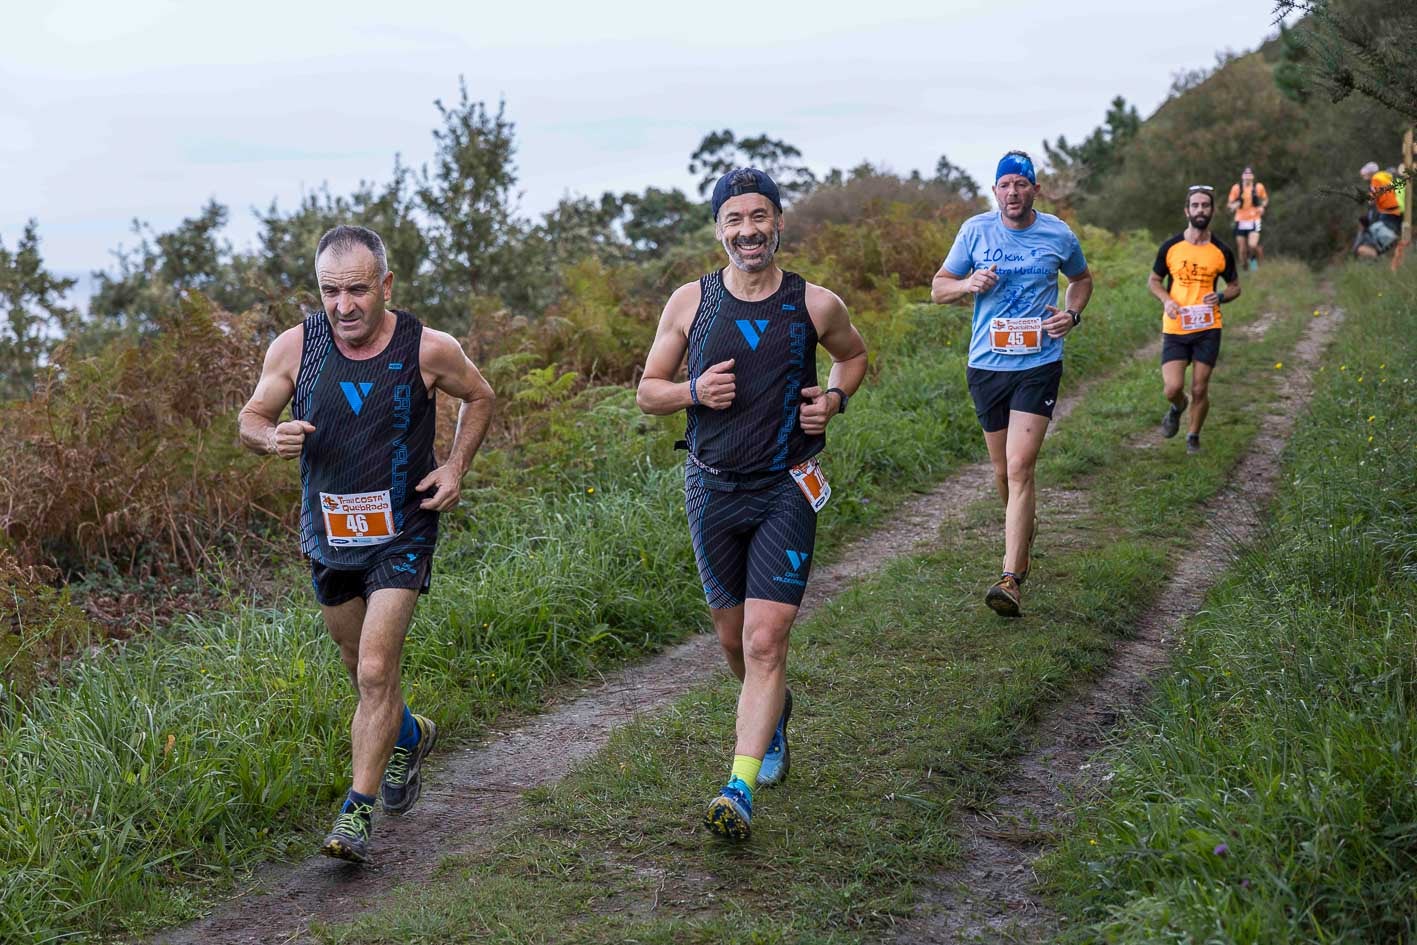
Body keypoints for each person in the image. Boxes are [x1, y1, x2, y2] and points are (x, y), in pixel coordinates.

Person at [238, 225, 495, 863]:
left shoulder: (428, 349)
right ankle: (410, 733)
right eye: (330, 291)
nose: (344, 306)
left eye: (357, 290)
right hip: (328, 531)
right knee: (359, 672)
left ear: (385, 286)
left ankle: (355, 813)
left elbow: (480, 396)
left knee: (378, 669)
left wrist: (455, 467)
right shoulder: (296, 346)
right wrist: (270, 439)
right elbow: (251, 417)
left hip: (402, 530)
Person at [636, 168, 867, 841]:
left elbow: (852, 358)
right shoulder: (690, 302)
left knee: (766, 640)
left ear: (778, 223)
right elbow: (648, 390)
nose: (748, 231)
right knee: (734, 643)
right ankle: (772, 713)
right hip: (710, 487)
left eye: (759, 217)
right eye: (734, 220)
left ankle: (736, 786)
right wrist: (691, 391)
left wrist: (832, 400)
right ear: (718, 230)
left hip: (785, 486)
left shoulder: (814, 303)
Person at [931, 150, 1093, 619]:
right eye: (1005, 184)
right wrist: (968, 285)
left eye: (1022, 184)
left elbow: (1081, 279)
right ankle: (1022, 532)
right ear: (996, 190)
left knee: (1021, 467)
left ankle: (1010, 578)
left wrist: (1071, 314)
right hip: (987, 365)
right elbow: (938, 287)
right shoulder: (975, 231)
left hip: (1039, 362)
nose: (1013, 192)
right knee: (1003, 473)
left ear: (1034, 190)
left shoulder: (1058, 233)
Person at [1148, 185, 1242, 454]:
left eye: (1205, 205)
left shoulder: (1221, 250)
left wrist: (1221, 296)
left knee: (1200, 387)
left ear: (1212, 210)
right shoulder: (1171, 247)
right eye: (1196, 205)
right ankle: (1178, 405)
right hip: (1177, 327)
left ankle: (1193, 436)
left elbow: (1236, 286)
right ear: (1187, 210)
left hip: (1208, 327)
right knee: (1172, 387)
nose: (1200, 210)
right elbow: (1154, 281)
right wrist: (1167, 300)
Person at [1354, 161, 1403, 258]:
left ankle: (1381, 257)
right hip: (1391, 217)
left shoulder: (1377, 180)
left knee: (1363, 247)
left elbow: (1372, 201)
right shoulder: (1390, 181)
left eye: (1366, 174)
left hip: (1386, 218)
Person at [1226, 166, 1268, 271]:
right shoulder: (1236, 188)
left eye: (1249, 174)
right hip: (1240, 221)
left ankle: (1254, 266)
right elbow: (1230, 204)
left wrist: (1262, 207)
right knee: (1242, 250)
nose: (1247, 177)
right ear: (1242, 176)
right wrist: (1234, 206)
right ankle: (1245, 268)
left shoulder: (1259, 187)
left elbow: (1265, 199)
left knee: (1252, 245)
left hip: (1255, 220)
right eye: (1246, 174)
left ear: (1253, 177)